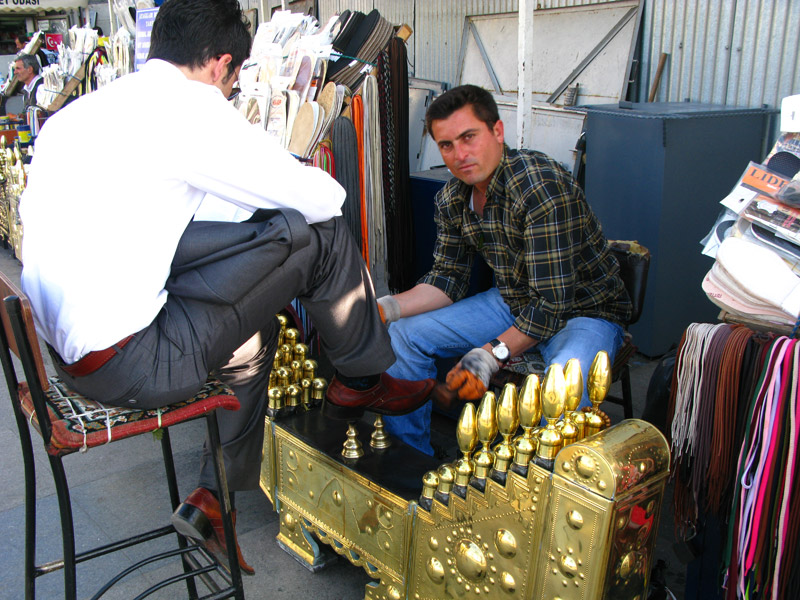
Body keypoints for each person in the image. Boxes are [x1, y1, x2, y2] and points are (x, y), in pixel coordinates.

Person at [19, 0, 433, 576]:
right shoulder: (192, 110)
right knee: (319, 234)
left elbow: (199, 214)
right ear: (220, 65)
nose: (231, 90)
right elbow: (321, 199)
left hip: (64, 358)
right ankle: (361, 379)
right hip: (131, 365)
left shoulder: (82, 114)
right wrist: (287, 178)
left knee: (252, 337)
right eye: (234, 80)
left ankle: (213, 499)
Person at [377, 85, 632, 455]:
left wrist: (488, 356)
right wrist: (385, 308)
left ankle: (536, 482)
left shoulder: (540, 188)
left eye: (469, 137)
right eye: (446, 145)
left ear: (497, 131)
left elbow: (551, 306)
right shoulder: (453, 199)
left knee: (561, 391)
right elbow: (447, 279)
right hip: (514, 301)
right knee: (403, 333)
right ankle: (408, 458)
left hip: (584, 312)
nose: (459, 154)